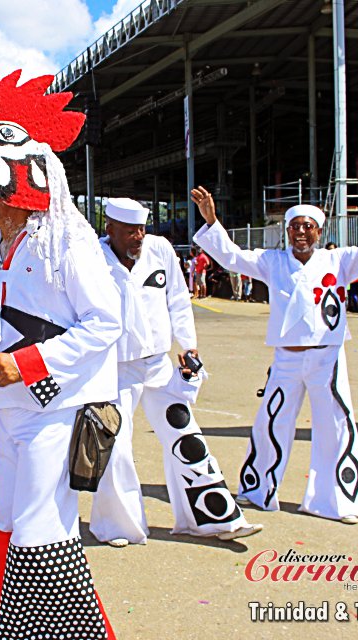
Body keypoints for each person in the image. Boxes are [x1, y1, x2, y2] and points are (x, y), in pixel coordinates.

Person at [0, 71, 121, 639]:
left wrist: (30, 365)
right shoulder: (6, 246)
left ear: (25, 176)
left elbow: (107, 322)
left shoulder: (68, 240)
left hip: (55, 412)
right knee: (7, 521)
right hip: (14, 410)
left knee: (39, 531)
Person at [190, 185, 358, 524]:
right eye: (295, 227)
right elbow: (232, 256)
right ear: (287, 232)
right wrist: (213, 220)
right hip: (286, 360)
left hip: (326, 359)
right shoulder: (271, 261)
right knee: (272, 422)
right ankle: (258, 490)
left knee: (335, 426)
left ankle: (337, 501)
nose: (301, 232)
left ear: (319, 232)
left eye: (308, 227)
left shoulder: (339, 261)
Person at [90, 197, 261, 547]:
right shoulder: (91, 257)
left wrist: (188, 345)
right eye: (129, 231)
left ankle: (214, 519)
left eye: (142, 229)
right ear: (110, 230)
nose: (138, 236)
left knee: (186, 439)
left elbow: (178, 299)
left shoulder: (160, 249)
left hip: (158, 365)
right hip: (114, 369)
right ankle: (119, 526)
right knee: (117, 447)